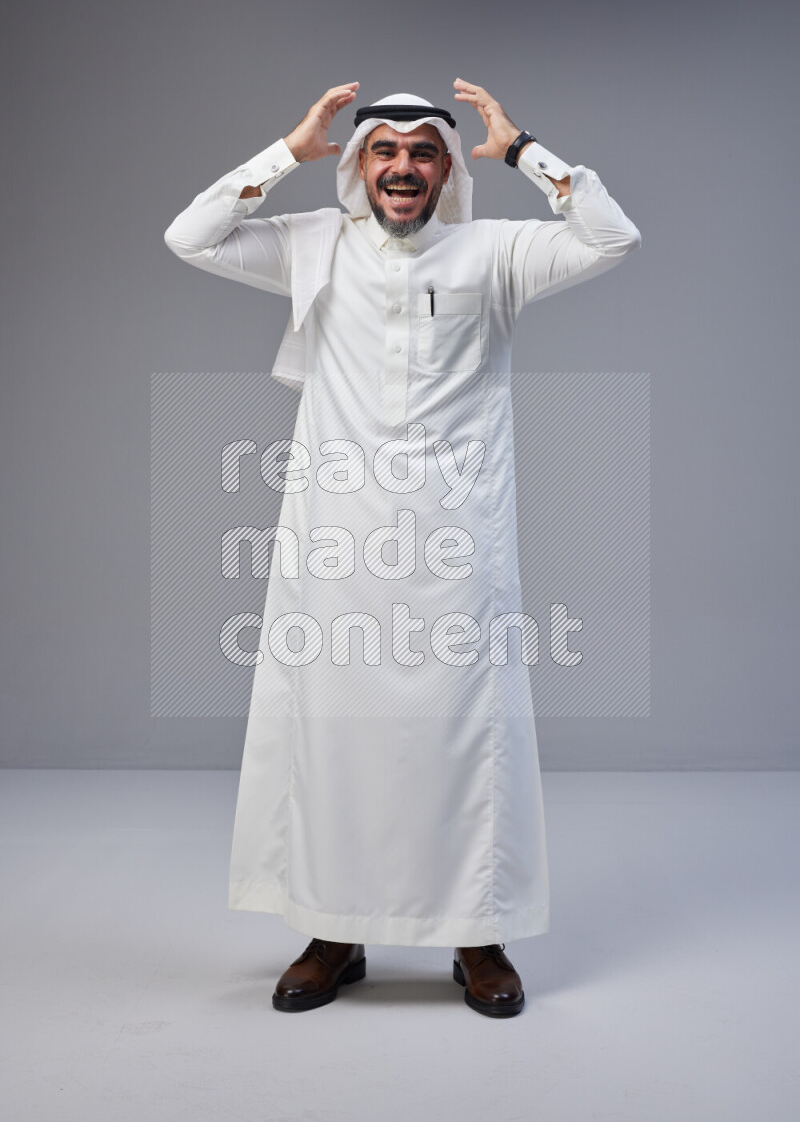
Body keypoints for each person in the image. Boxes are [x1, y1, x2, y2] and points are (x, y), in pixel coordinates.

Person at [164, 80, 641, 1018]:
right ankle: (333, 932)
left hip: (460, 546)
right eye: (385, 150)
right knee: (337, 738)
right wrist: (286, 153)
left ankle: (478, 936)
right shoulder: (312, 245)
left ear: (447, 170)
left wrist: (526, 152)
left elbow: (611, 236)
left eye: (425, 152)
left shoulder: (494, 251)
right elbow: (191, 235)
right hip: (336, 547)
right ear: (359, 164)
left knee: (466, 738)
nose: (404, 168)